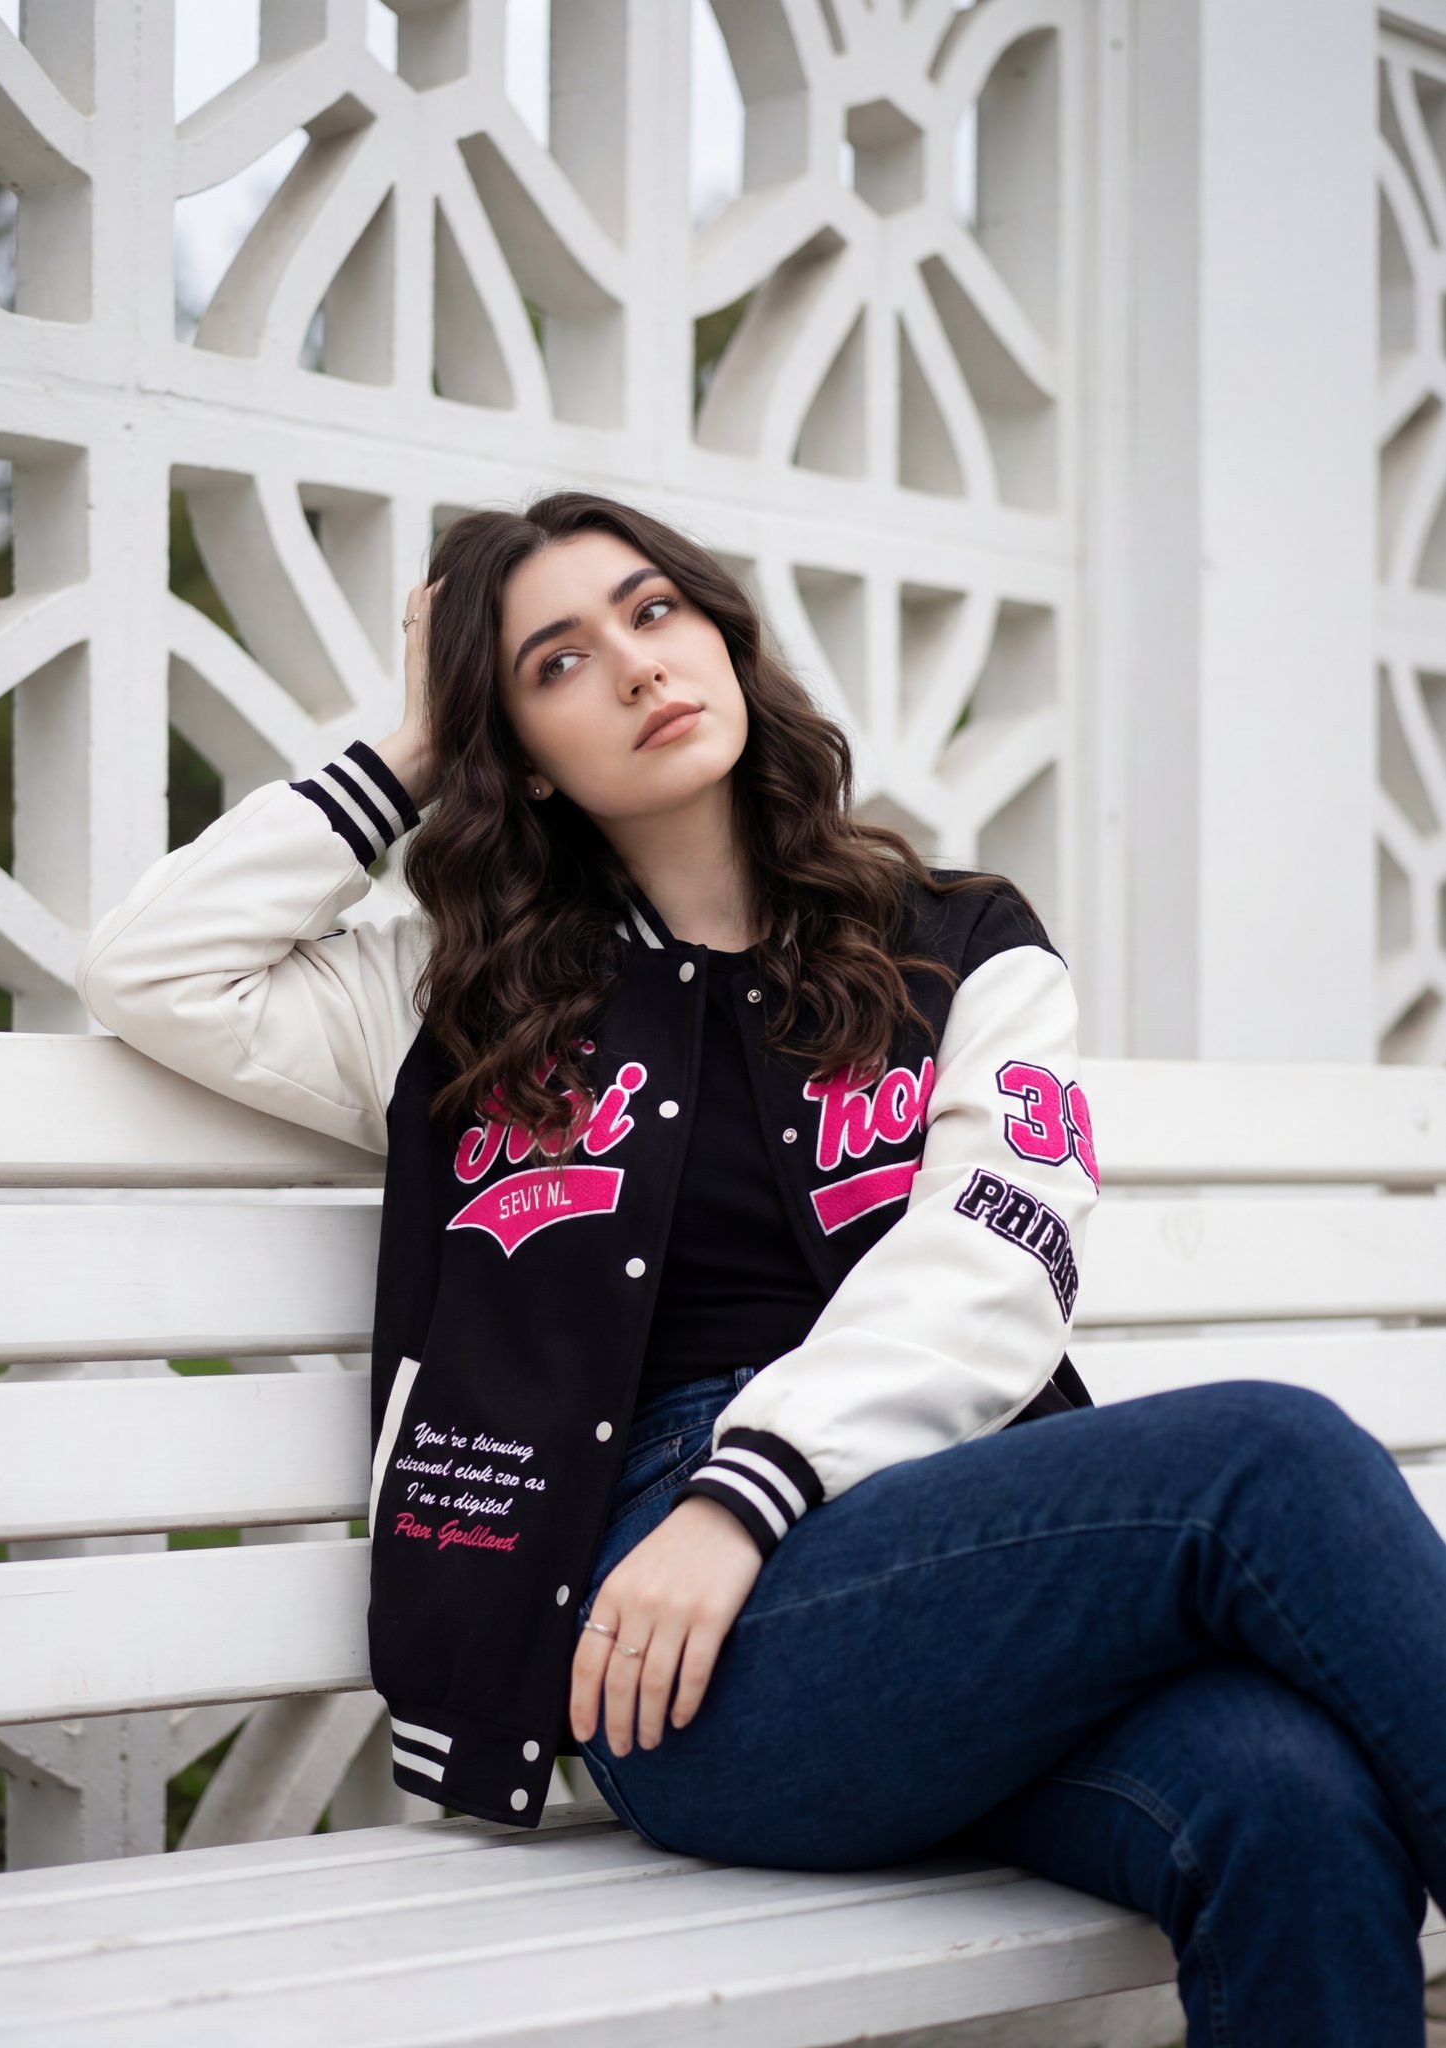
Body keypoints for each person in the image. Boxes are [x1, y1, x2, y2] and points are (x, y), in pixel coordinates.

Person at [76, 489, 1446, 2046]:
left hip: (933, 1555)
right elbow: (151, 966)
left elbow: (999, 1249)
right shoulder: (458, 1001)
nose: (634, 665)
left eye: (653, 612)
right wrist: (410, 751)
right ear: (520, 752)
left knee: (1288, 1801)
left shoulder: (956, 944)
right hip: (676, 1650)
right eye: (555, 663)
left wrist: (753, 1489)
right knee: (1265, 1455)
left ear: (721, 637)